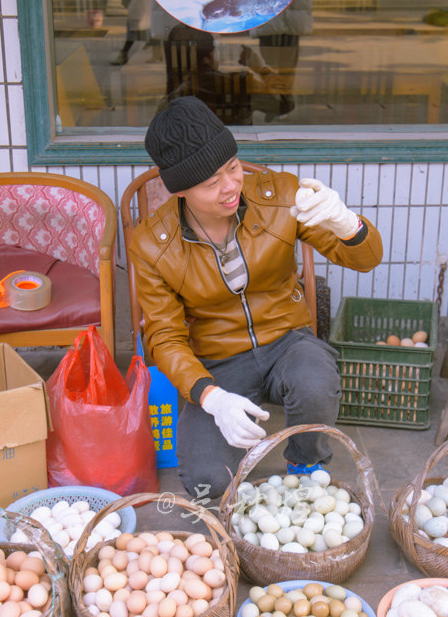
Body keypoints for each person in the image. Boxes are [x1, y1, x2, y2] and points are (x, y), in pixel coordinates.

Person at [127, 96, 383, 502]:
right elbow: (164, 337)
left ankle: (305, 464)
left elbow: (367, 260)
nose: (230, 186)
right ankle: (229, 419)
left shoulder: (281, 195)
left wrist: (347, 224)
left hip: (287, 340)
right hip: (217, 359)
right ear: (180, 191)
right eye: (211, 182)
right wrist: (211, 397)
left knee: (316, 380)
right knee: (205, 483)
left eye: (232, 167)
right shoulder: (151, 244)